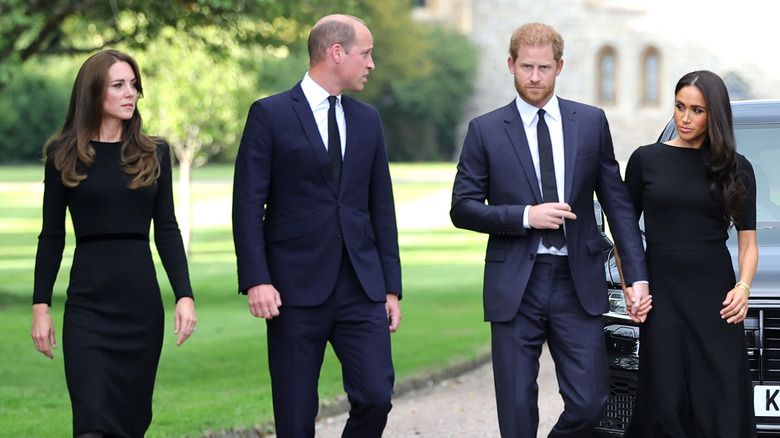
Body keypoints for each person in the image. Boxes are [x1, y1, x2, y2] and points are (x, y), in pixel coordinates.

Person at [450, 22, 649, 437]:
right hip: (514, 285)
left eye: (543, 67)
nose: (535, 77)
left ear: (560, 67)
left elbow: (618, 207)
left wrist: (638, 276)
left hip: (577, 282)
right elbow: (462, 208)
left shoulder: (590, 122)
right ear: (511, 65)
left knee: (591, 401)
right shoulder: (484, 130)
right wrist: (525, 216)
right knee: (517, 407)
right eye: (526, 67)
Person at [232, 14, 402, 438]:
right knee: (294, 415)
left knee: (376, 396)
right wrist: (256, 279)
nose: (371, 64)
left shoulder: (368, 120)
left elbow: (382, 208)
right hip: (292, 288)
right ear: (336, 52)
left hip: (361, 287)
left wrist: (391, 287)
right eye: (366, 54)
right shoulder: (269, 114)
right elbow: (248, 205)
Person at [30, 49, 197, 438]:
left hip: (139, 307)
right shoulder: (62, 155)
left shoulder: (154, 152)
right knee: (91, 425)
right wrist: (41, 306)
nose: (131, 93)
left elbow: (167, 229)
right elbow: (51, 235)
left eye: (134, 85)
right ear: (92, 92)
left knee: (129, 425)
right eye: (119, 85)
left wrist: (184, 295)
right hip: (87, 307)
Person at [623, 70, 758, 437]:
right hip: (662, 297)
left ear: (714, 114)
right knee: (665, 402)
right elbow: (626, 235)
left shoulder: (737, 168)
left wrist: (743, 288)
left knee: (720, 399)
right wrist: (631, 286)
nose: (685, 118)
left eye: (697, 110)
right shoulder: (645, 161)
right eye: (680, 107)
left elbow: (748, 242)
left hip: (716, 299)